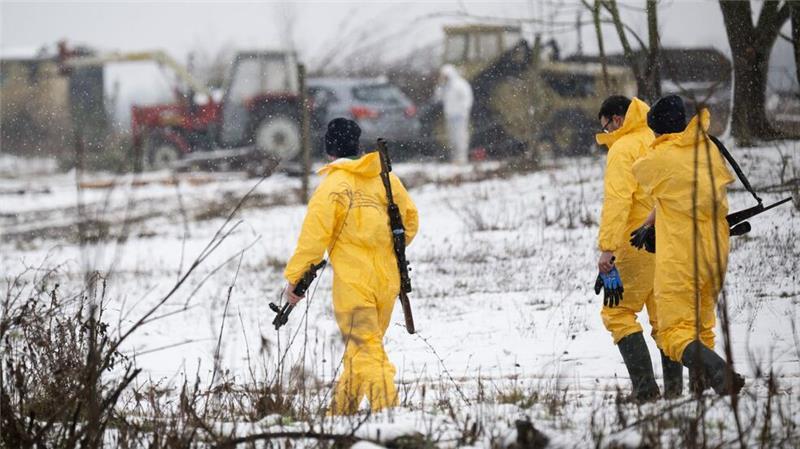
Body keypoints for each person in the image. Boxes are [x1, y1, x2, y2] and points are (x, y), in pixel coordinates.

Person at [283, 118, 420, 414]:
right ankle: (340, 412)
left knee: (366, 350)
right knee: (362, 348)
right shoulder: (386, 179)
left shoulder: (333, 186)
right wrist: (383, 249)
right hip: (388, 282)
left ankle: (390, 413)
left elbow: (313, 238)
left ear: (330, 150)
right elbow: (410, 222)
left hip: (355, 284)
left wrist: (295, 280)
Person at [632, 95, 745, 396]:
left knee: (673, 331)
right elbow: (680, 192)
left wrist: (658, 145)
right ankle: (702, 391)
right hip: (716, 251)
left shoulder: (659, 158)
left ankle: (720, 372)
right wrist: (650, 223)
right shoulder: (707, 147)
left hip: (682, 255)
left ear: (659, 130)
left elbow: (647, 174)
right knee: (702, 323)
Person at [594, 95, 683, 401]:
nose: (605, 133)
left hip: (635, 244)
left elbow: (618, 201)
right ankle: (675, 390)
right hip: (667, 239)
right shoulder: (656, 138)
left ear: (617, 119)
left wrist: (607, 248)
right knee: (665, 319)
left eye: (606, 125)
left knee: (617, 312)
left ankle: (645, 389)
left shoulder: (622, 149)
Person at [437, 64, 473, 164]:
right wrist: (441, 85)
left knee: (460, 137)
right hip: (450, 116)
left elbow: (467, 98)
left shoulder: (460, 84)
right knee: (452, 138)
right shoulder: (445, 87)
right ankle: (454, 158)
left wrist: (464, 111)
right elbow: (438, 97)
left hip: (460, 116)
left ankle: (462, 158)